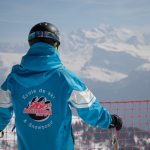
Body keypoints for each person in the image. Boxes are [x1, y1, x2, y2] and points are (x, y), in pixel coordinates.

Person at [0, 22, 122, 150]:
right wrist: (109, 120)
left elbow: (1, 109)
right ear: (56, 45)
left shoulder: (13, 79)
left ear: (31, 44)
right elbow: (88, 107)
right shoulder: (65, 78)